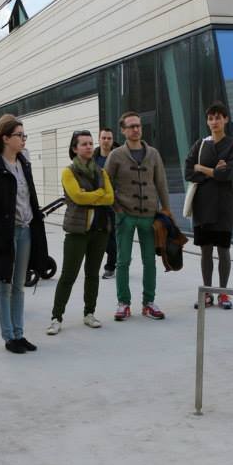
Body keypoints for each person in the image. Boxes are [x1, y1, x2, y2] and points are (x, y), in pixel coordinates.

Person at [0, 115, 49, 353]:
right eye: (19, 135)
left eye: (24, 135)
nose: (23, 139)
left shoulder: (23, 163)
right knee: (4, 285)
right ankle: (8, 337)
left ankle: (19, 333)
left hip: (26, 230)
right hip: (5, 234)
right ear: (6, 138)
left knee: (19, 285)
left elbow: (29, 197)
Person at [104, 111, 172, 321]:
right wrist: (117, 209)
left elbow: (161, 183)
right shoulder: (115, 155)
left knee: (149, 261)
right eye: (131, 126)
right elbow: (106, 183)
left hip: (149, 216)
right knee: (123, 261)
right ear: (123, 130)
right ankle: (123, 303)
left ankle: (148, 303)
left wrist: (166, 209)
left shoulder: (153, 154)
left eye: (138, 126)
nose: (136, 129)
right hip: (125, 215)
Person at [47, 130, 114, 335]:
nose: (88, 147)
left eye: (90, 143)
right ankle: (56, 317)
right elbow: (77, 197)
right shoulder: (69, 172)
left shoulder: (101, 172)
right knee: (68, 275)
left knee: (93, 274)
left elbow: (110, 198)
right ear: (74, 148)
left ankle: (89, 313)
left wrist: (90, 195)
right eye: (84, 144)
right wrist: (98, 194)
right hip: (77, 231)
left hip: (100, 229)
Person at [185, 102, 233, 310]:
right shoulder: (200, 144)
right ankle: (207, 293)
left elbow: (227, 174)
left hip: (224, 207)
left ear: (225, 119)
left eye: (218, 117)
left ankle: (223, 293)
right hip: (202, 206)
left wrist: (202, 168)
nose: (214, 122)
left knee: (223, 250)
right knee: (206, 251)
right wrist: (214, 171)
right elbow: (188, 172)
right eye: (211, 118)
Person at [93, 127, 118, 279]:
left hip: (114, 204)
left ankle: (111, 266)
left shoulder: (119, 157)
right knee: (99, 236)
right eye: (104, 138)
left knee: (111, 236)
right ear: (99, 139)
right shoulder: (93, 158)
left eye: (109, 138)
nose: (106, 141)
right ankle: (117, 256)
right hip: (97, 203)